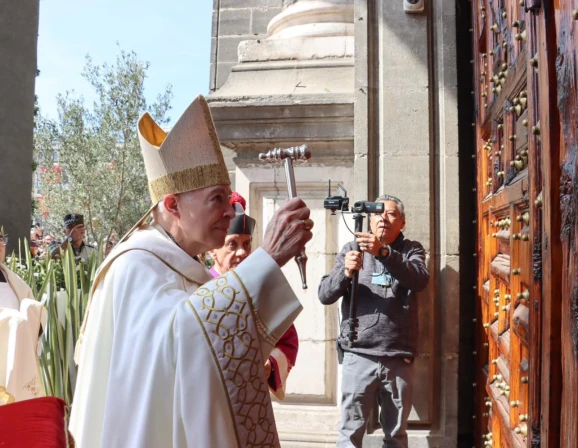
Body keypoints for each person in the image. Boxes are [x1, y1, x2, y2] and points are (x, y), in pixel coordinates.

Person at [69, 95, 313, 447]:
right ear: (172, 205)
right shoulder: (135, 265)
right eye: (217, 199)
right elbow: (185, 342)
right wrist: (267, 259)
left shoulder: (181, 264)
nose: (230, 213)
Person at [318, 195, 429, 448]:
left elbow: (420, 280)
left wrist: (384, 253)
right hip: (359, 355)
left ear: (402, 222)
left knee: (396, 436)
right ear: (369, 220)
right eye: (378, 214)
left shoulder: (411, 249)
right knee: (350, 433)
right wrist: (345, 273)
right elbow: (324, 294)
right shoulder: (351, 249)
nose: (383, 219)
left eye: (391, 214)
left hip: (398, 357)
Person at [209, 191, 299, 400]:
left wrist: (271, 363)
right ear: (213, 250)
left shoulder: (261, 288)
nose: (242, 252)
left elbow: (288, 340)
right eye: (232, 244)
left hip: (251, 396)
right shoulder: (198, 286)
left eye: (247, 244)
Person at [0, 230, 47, 404]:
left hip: (15, 354)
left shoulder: (14, 280)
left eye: (1, 239)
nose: (0, 244)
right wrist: (11, 321)